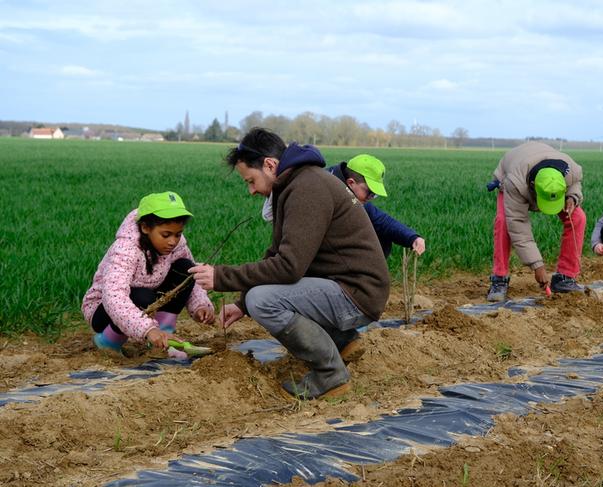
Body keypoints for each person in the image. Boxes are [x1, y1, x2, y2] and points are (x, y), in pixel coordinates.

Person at [189, 128, 390, 400]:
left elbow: (288, 267)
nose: (251, 190)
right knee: (257, 298)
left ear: (270, 165)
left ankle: (330, 375)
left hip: (357, 293)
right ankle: (342, 342)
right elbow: (276, 256)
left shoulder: (307, 188)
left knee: (264, 300)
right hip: (346, 287)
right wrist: (241, 303)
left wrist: (222, 277)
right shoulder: (296, 183)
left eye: (251, 180)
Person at [81, 192, 215, 357]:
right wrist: (148, 329)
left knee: (185, 268)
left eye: (178, 234)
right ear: (145, 228)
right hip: (104, 310)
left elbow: (189, 277)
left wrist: (200, 305)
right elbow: (113, 297)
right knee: (142, 296)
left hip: (149, 301)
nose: (173, 241)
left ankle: (164, 340)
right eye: (166, 235)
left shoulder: (176, 245)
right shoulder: (126, 249)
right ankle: (108, 342)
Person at [262, 154, 426, 257]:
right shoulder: (321, 190)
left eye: (374, 194)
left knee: (381, 237)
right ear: (351, 183)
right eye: (369, 192)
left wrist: (412, 238)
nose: (371, 198)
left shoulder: (351, 195)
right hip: (308, 258)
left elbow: (380, 220)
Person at [487, 141, 586, 302]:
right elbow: (518, 227)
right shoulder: (515, 183)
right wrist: (537, 265)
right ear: (533, 187)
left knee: (577, 217)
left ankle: (565, 277)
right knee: (503, 222)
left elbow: (575, 183)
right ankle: (499, 279)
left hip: (542, 167)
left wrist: (572, 197)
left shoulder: (570, 169)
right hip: (512, 171)